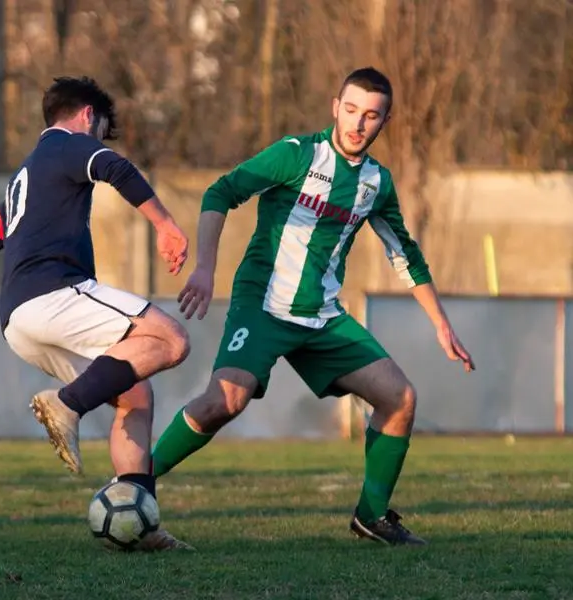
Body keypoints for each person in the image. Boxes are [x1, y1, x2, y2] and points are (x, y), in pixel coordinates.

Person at [150, 67, 476, 546]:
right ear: (334, 106)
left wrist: (441, 325)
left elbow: (403, 253)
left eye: (371, 115)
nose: (357, 124)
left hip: (321, 318)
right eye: (350, 110)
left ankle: (372, 516)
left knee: (400, 399)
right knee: (226, 400)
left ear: (385, 121)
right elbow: (221, 192)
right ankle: (138, 481)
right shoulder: (296, 155)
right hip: (262, 305)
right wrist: (205, 267)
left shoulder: (375, 184)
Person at [0, 76, 193, 550]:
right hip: (53, 293)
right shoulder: (66, 146)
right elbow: (114, 167)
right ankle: (67, 404)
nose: (98, 140)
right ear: (88, 117)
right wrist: (166, 224)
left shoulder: (22, 180)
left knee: (134, 395)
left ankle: (141, 526)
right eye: (101, 129)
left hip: (17, 321)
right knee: (172, 339)